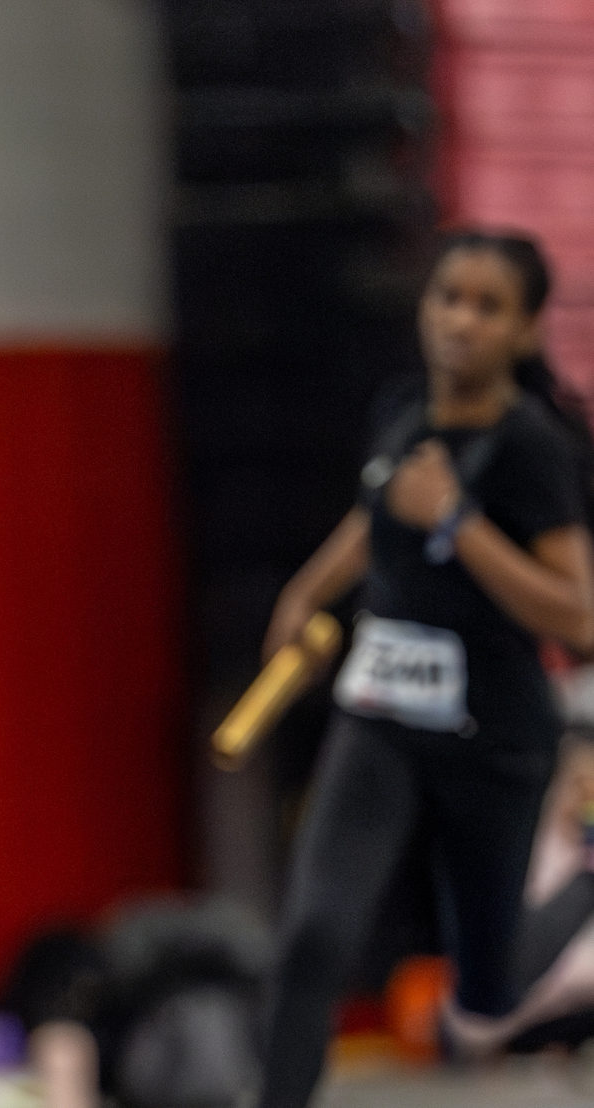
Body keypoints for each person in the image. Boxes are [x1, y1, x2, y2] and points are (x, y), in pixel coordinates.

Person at [255, 230, 594, 1107]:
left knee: (488, 990)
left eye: (488, 307)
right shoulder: (402, 407)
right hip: (383, 716)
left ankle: (587, 875)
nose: (460, 321)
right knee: (314, 934)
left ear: (524, 331)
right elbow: (379, 516)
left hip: (496, 735)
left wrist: (460, 523)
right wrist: (305, 593)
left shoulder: (534, 450)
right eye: (448, 297)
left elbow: (576, 612)